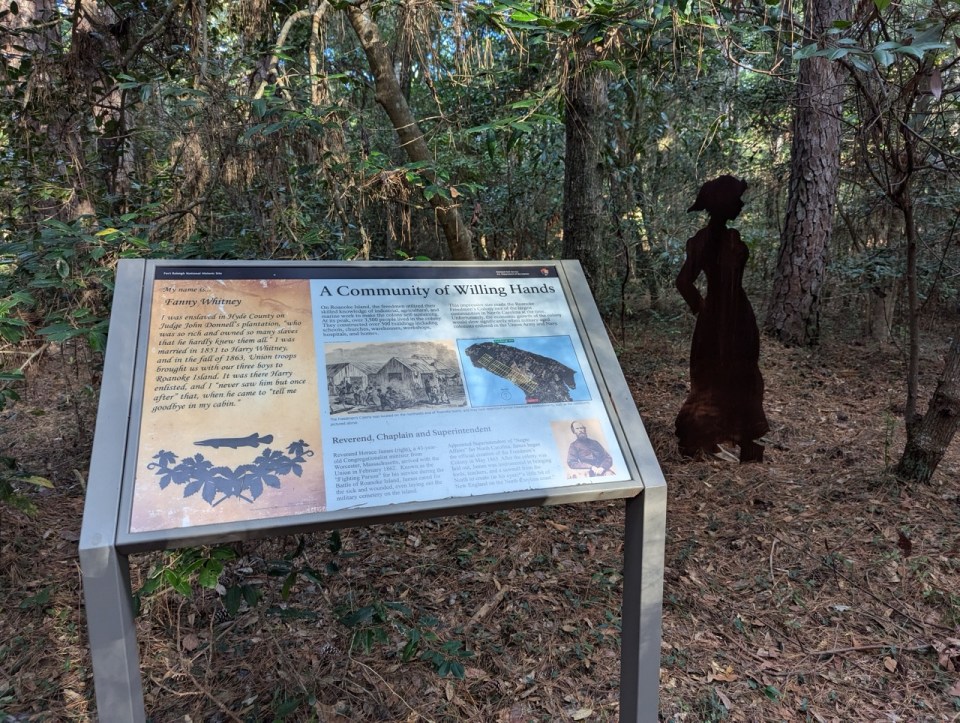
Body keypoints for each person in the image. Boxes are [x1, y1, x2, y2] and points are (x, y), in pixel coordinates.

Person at [675, 175, 768, 462]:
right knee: (710, 378)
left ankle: (745, 442)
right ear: (722, 204)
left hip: (737, 318)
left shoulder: (731, 238)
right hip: (718, 319)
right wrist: (702, 307)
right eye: (736, 199)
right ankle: (699, 439)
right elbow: (683, 282)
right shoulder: (702, 241)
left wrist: (707, 308)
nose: (740, 204)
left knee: (744, 376)